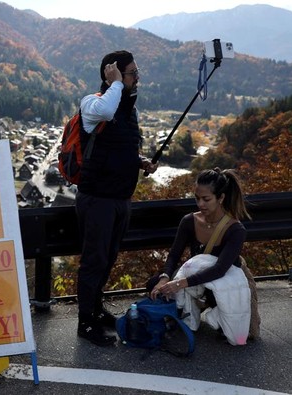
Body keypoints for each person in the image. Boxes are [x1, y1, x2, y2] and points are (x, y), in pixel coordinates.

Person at [75, 50, 158, 346]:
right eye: (132, 73)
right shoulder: (93, 103)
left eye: (137, 72)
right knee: (94, 261)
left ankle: (96, 311)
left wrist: (140, 161)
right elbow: (106, 112)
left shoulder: (126, 109)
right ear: (113, 74)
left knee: (107, 258)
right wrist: (115, 85)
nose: (138, 77)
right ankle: (85, 323)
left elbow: (118, 146)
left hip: (120, 197)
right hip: (98, 199)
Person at [149, 168, 258, 343]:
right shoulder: (189, 221)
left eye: (206, 199)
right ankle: (186, 311)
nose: (200, 204)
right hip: (198, 275)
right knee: (155, 285)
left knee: (243, 333)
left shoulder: (235, 229)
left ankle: (211, 312)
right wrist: (165, 278)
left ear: (221, 198)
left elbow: (220, 270)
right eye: (197, 198)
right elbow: (174, 255)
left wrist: (180, 283)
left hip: (228, 279)